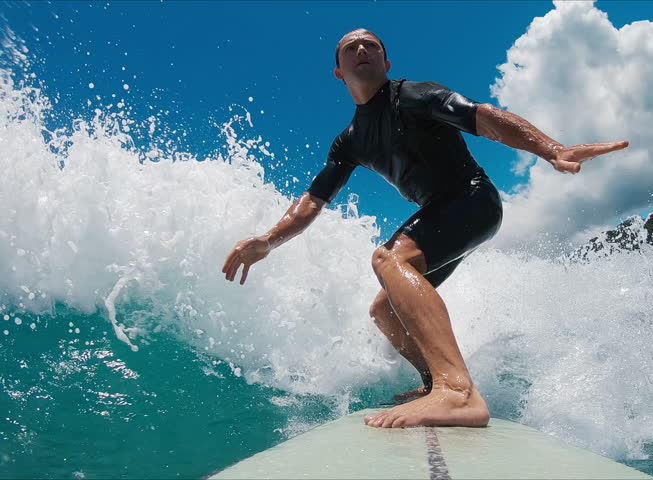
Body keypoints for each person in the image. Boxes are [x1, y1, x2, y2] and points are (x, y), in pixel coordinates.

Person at [222, 28, 628, 428]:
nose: (361, 49)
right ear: (339, 72)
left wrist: (551, 149)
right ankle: (435, 382)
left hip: (473, 199)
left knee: (387, 258)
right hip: (442, 212)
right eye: (350, 47)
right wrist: (268, 241)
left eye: (370, 45)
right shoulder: (350, 141)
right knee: (384, 310)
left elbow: (484, 117)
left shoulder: (415, 96)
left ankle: (458, 391)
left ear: (386, 62)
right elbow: (313, 200)